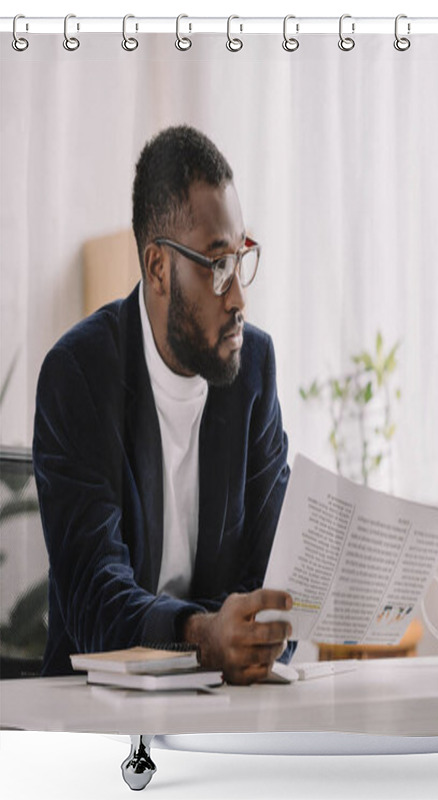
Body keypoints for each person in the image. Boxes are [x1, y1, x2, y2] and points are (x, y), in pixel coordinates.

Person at [33, 125, 295, 685]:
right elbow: (96, 605)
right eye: (217, 264)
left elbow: (269, 572)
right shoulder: (77, 377)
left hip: (220, 707)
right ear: (157, 269)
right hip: (88, 710)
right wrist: (205, 637)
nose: (238, 296)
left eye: (241, 256)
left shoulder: (254, 370)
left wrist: (254, 638)